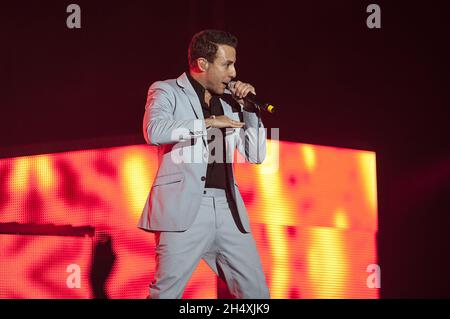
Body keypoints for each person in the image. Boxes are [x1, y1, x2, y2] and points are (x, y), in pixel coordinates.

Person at [138, 29, 270, 299]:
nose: (233, 73)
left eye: (234, 64)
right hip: (184, 209)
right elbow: (154, 130)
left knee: (256, 295)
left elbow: (256, 155)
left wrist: (249, 110)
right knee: (165, 294)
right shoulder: (167, 90)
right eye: (227, 64)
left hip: (228, 209)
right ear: (202, 64)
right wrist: (207, 124)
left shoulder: (230, 104)